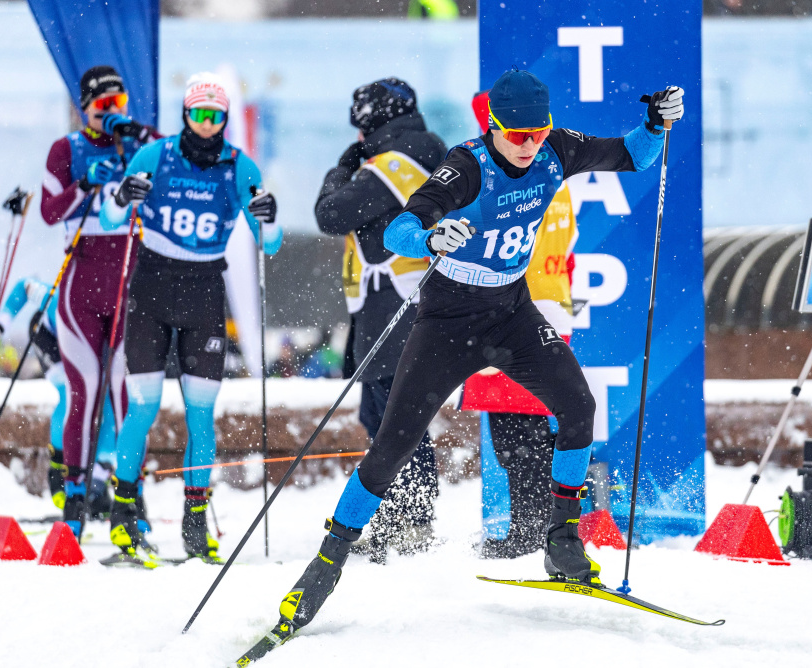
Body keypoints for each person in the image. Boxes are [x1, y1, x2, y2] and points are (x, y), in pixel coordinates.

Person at [241, 69, 683, 657]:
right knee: (392, 446)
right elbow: (402, 225)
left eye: (538, 132)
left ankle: (562, 537)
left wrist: (655, 122)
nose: (529, 145)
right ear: (495, 127)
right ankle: (327, 563)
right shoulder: (466, 165)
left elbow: (633, 154)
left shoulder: (555, 149)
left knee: (578, 406)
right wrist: (429, 238)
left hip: (512, 309)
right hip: (449, 320)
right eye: (518, 134)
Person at [100, 72, 282, 566]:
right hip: (153, 288)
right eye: (199, 114)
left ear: (224, 119)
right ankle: (123, 517)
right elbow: (110, 220)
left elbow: (271, 242)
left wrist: (269, 215)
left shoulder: (238, 167)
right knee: (144, 407)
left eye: (216, 116)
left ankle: (196, 524)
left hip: (203, 293)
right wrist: (121, 197)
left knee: (202, 414)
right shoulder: (155, 155)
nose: (207, 123)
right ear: (185, 114)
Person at [314, 77, 446, 564]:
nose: (358, 137)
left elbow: (330, 214)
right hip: (392, 303)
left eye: (361, 124)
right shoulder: (421, 150)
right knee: (382, 415)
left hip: (400, 303)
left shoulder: (401, 158)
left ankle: (411, 520)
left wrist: (339, 170)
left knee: (397, 417)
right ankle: (402, 514)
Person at [40, 65, 161, 539]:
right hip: (82, 286)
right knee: (84, 395)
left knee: (128, 396)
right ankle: (73, 496)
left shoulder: (143, 139)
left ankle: (130, 494)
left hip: (130, 284)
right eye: (103, 106)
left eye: (120, 103)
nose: (113, 114)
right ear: (85, 107)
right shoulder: (66, 149)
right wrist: (86, 182)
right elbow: (51, 212)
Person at [461, 90, 579, 560]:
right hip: (546, 306)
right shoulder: (553, 174)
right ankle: (535, 527)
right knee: (524, 430)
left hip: (514, 310)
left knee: (516, 436)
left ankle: (529, 533)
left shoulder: (502, 178)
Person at [0, 278, 117, 513]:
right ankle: (58, 469)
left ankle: (97, 480)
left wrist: (101, 471)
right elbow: (24, 285)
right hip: (49, 337)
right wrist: (2, 323)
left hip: (92, 345)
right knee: (72, 396)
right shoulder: (56, 298)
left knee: (108, 400)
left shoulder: (112, 312)